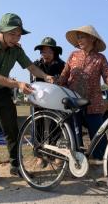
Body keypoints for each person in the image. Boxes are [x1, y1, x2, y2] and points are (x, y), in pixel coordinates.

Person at [0, 13, 54, 188]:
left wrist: (46, 76)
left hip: (2, 92)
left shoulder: (16, 48)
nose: (16, 38)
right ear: (1, 31)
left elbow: (30, 67)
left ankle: (16, 166)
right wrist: (17, 84)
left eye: (19, 35)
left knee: (12, 130)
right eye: (12, 34)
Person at [58, 25, 108, 161]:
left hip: (93, 103)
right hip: (73, 102)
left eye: (82, 36)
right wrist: (55, 84)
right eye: (78, 37)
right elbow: (63, 77)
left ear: (92, 39)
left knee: (98, 136)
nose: (79, 40)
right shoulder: (73, 55)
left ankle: (104, 165)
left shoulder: (100, 58)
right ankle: (77, 163)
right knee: (73, 136)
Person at [31, 37, 65, 168]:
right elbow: (33, 83)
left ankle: (53, 153)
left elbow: (64, 82)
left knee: (55, 127)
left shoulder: (62, 65)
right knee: (38, 126)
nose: (46, 55)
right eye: (43, 52)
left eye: (49, 52)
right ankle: (39, 155)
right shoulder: (36, 65)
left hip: (55, 101)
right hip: (39, 100)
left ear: (55, 53)